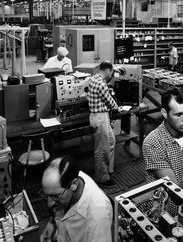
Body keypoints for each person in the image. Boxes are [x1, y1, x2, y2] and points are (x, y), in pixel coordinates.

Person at [39, 155, 113, 242]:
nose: (49, 204)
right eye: (46, 195)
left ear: (74, 185)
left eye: (55, 196)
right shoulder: (71, 176)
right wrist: (52, 222)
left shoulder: (98, 217)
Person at [87, 60, 122, 188]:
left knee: (111, 141)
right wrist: (118, 108)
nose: (110, 75)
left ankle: (109, 170)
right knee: (102, 149)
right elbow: (110, 102)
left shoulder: (93, 78)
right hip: (100, 117)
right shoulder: (101, 84)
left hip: (98, 116)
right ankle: (102, 177)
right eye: (111, 73)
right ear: (108, 70)